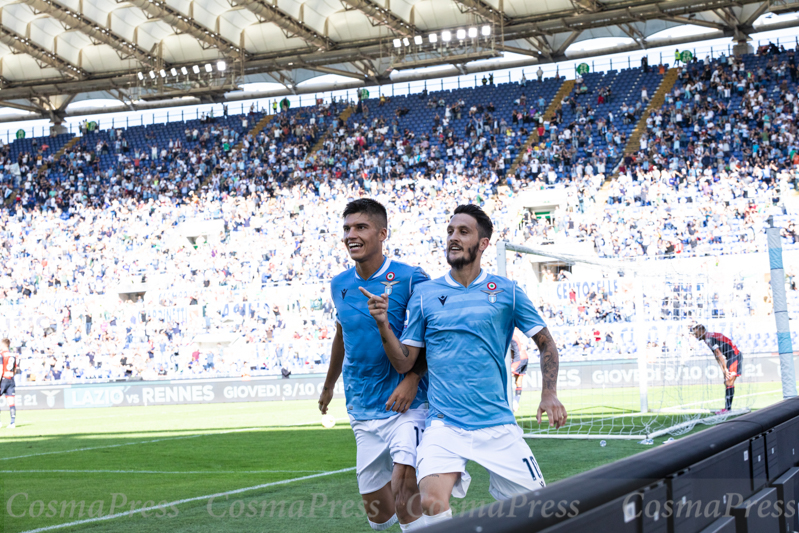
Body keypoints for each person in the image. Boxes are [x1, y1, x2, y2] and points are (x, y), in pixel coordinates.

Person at [361, 204, 567, 525]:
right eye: (450, 231)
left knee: (541, 515)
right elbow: (405, 363)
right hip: (445, 425)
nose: (453, 238)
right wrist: (383, 324)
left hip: (497, 424)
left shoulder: (508, 292)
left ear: (483, 243)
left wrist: (549, 393)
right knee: (429, 500)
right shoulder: (426, 294)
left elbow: (546, 343)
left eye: (463, 232)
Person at [319, 199, 430, 531]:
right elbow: (342, 335)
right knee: (380, 516)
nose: (351, 235)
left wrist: (413, 378)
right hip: (362, 406)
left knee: (405, 488)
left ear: (382, 233)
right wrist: (328, 386)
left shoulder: (411, 278)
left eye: (360, 227)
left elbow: (432, 334)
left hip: (406, 405)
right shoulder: (339, 284)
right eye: (347, 228)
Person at [691, 325, 742, 413]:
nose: (695, 336)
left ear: (702, 331)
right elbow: (716, 355)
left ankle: (727, 409)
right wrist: (723, 369)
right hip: (731, 357)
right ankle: (727, 409)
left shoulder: (709, 338)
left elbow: (718, 353)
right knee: (727, 382)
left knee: (728, 381)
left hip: (734, 356)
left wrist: (725, 369)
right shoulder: (708, 338)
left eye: (696, 333)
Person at [510, 329, 529, 412]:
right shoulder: (516, 336)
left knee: (507, 378)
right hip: (525, 357)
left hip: (519, 359)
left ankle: (511, 403)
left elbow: (514, 352)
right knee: (518, 382)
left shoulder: (511, 337)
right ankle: (515, 402)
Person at [0, 338, 16, 429]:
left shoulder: (1, 355)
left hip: (3, 379)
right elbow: (14, 369)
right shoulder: (13, 355)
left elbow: (0, 369)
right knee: (11, 402)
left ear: (3, 345)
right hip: (11, 379)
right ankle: (12, 423)